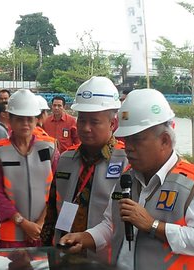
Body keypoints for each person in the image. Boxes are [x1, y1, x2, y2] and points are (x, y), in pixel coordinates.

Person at [60, 89, 194, 268]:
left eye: (137, 140)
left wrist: (153, 225)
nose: (128, 148)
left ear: (165, 140)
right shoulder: (125, 178)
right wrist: (86, 237)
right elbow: (110, 225)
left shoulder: (193, 183)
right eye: (127, 140)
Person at [41, 77, 127, 261]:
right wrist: (48, 250)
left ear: (112, 124)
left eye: (94, 122)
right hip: (64, 256)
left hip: (106, 261)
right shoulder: (66, 159)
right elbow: (52, 213)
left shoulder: (127, 162)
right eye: (82, 120)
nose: (86, 128)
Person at [0, 89, 59, 248]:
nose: (25, 124)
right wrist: (22, 222)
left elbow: (58, 188)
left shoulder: (49, 147)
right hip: (11, 235)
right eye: (20, 119)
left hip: (44, 230)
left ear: (36, 120)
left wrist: (40, 223)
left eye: (29, 119)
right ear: (10, 120)